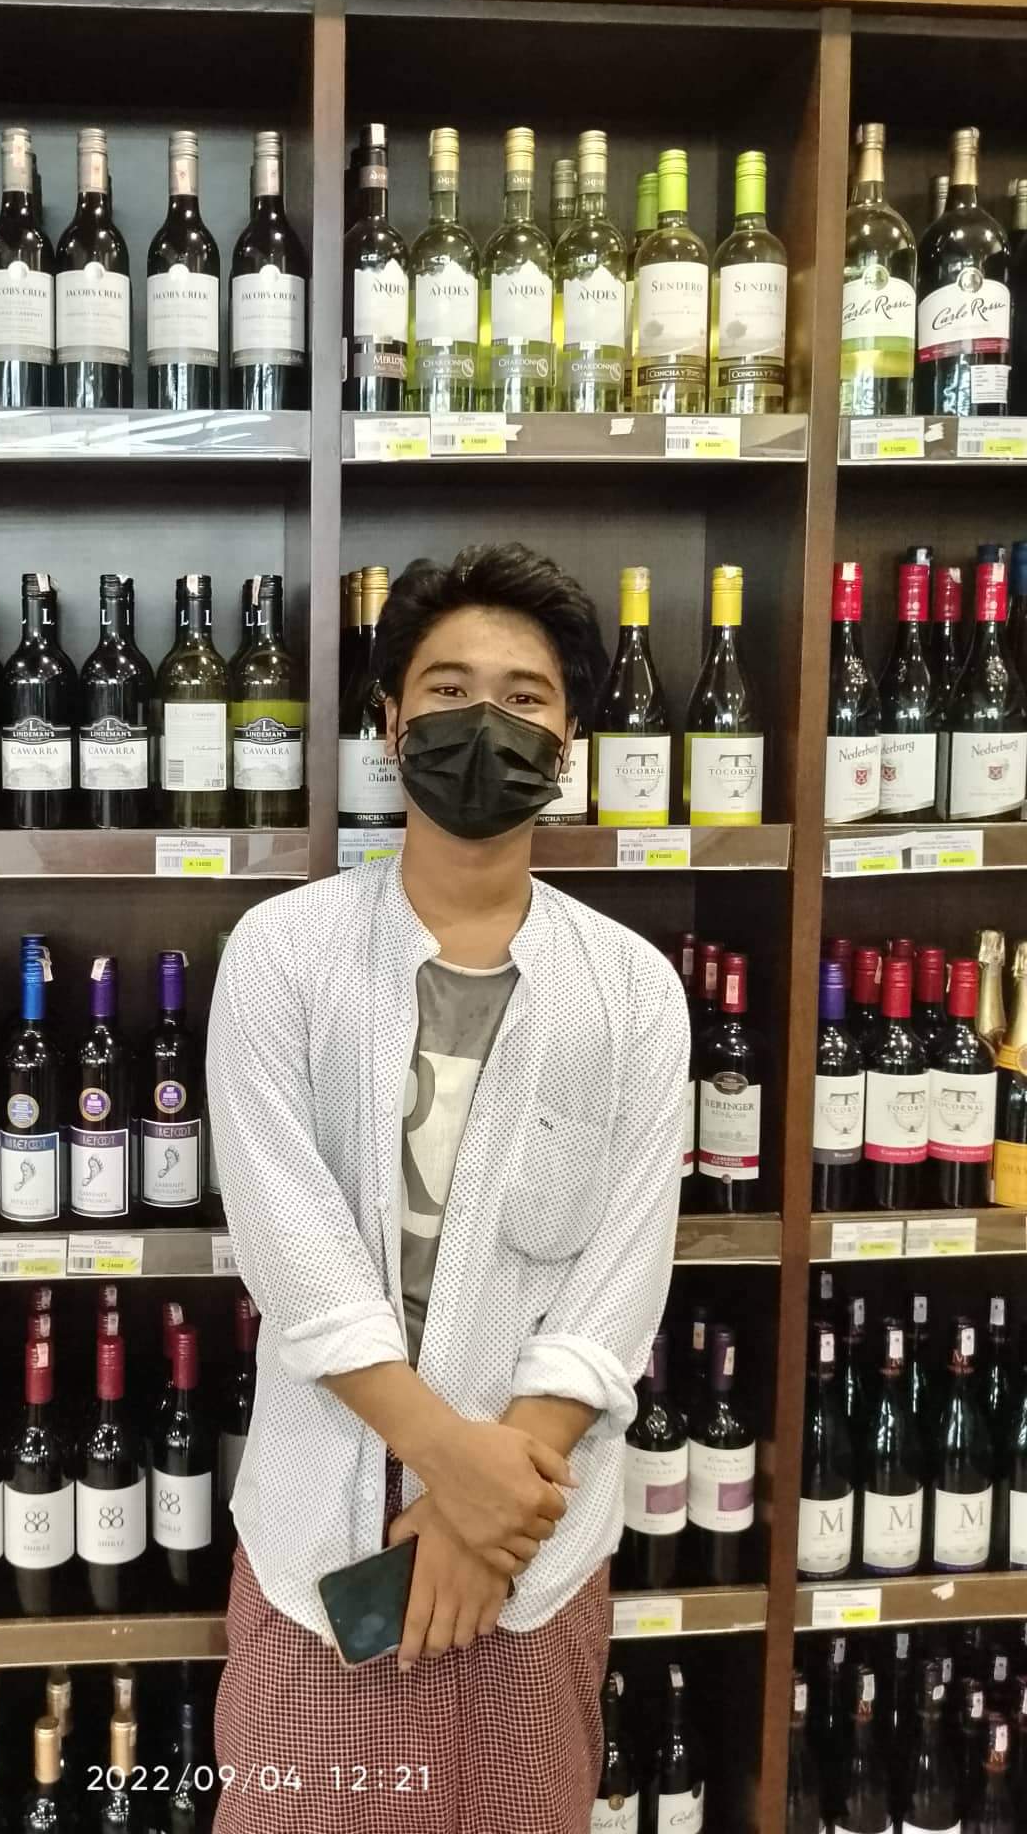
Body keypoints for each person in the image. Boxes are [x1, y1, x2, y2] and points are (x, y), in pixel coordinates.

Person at [206, 541, 689, 1834]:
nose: (487, 723)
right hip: (324, 1556)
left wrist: (484, 1515)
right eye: (449, 690)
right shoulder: (283, 956)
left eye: (526, 699)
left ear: (570, 742)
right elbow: (292, 1248)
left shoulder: (635, 992)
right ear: (390, 725)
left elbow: (621, 1278)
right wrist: (449, 1463)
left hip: (534, 1548)